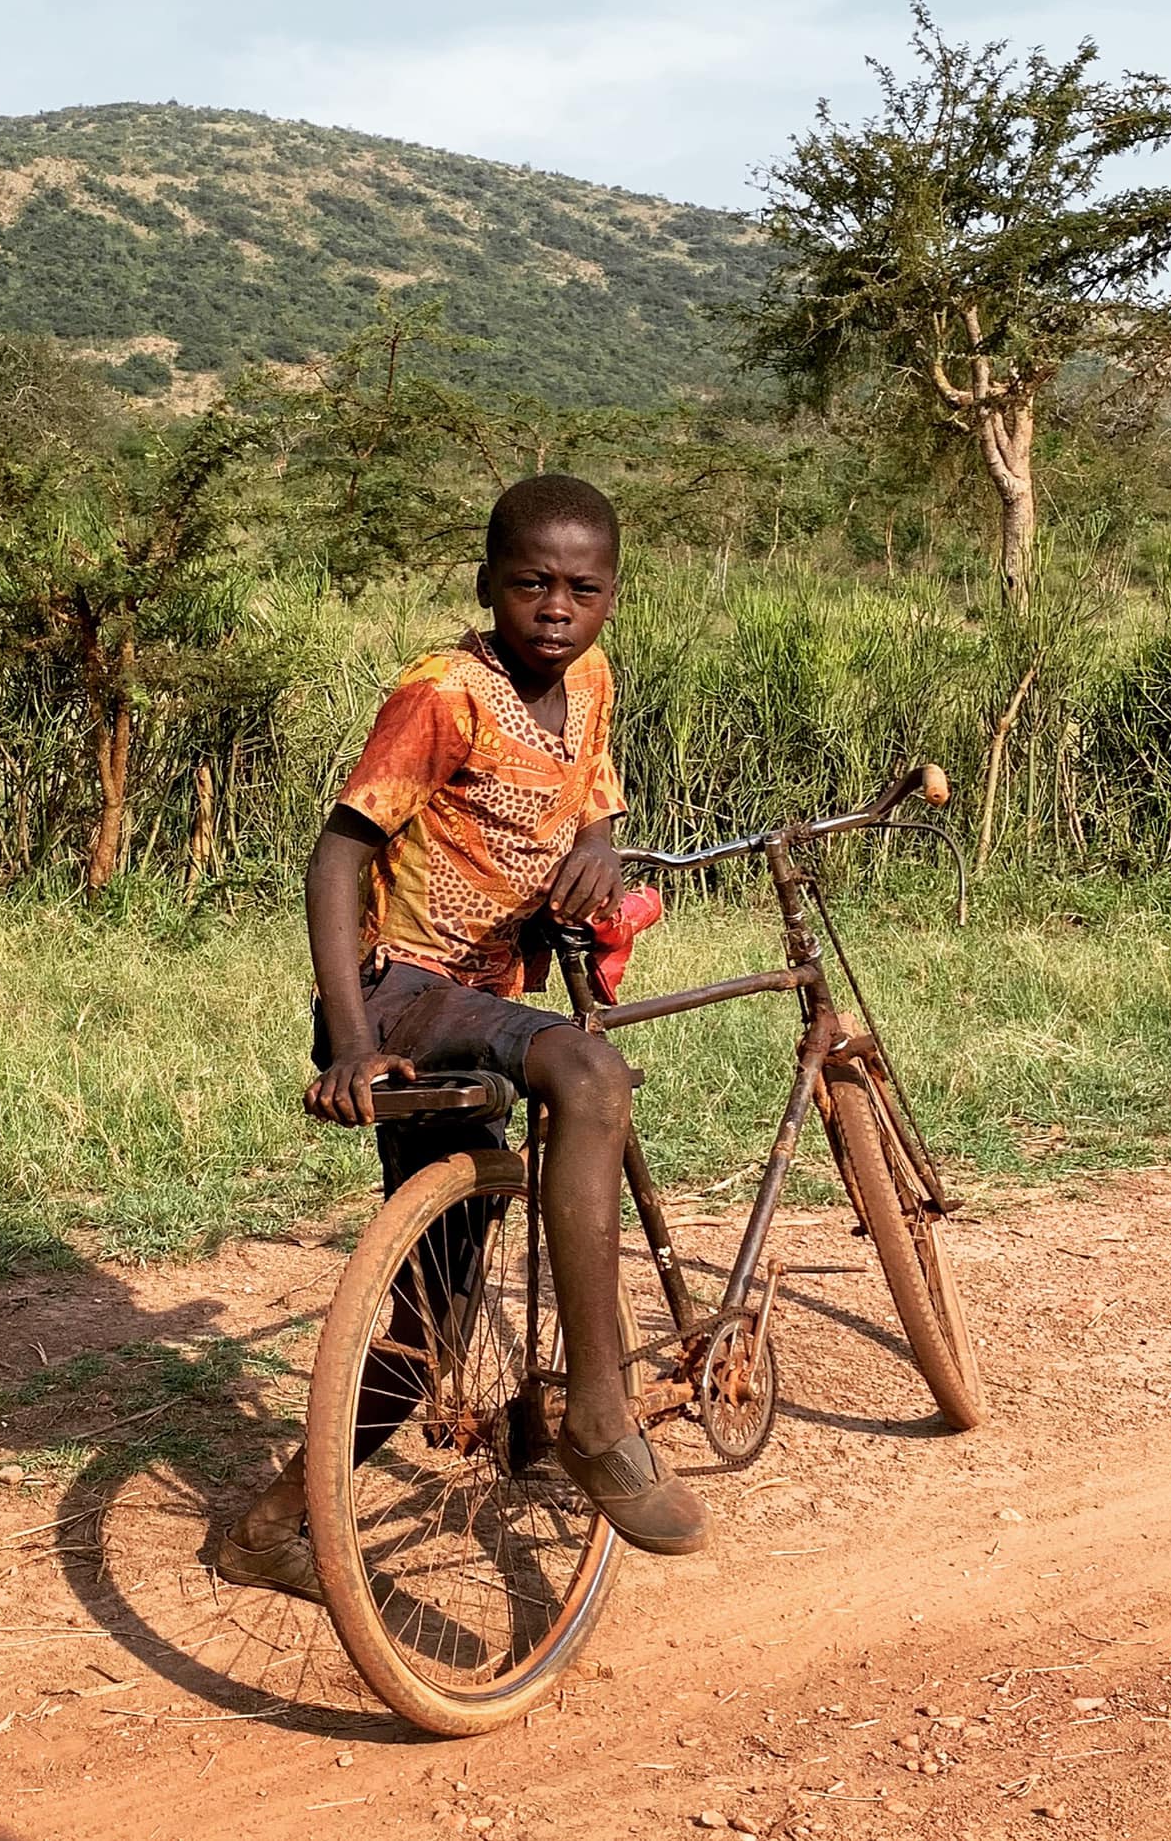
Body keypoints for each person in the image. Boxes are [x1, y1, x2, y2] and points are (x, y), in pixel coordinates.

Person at [219, 473, 711, 1598]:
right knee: (590, 1072)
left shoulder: (588, 679)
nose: (554, 607)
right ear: (484, 583)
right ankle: (596, 1415)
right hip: (403, 995)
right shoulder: (443, 693)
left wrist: (603, 848)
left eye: (582, 588)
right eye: (530, 583)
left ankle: (273, 1525)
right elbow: (335, 857)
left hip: (488, 1005)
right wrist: (348, 1038)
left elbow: (594, 795)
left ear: (612, 597)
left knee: (433, 1313)